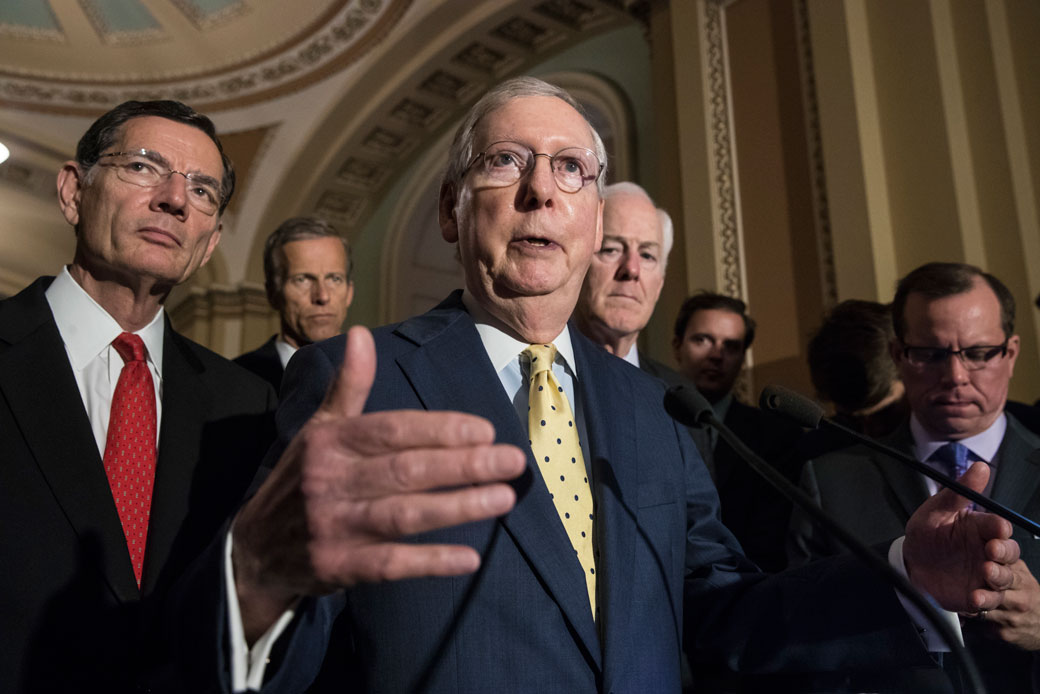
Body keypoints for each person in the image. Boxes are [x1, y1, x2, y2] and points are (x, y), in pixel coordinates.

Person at [179, 78, 1017, 694]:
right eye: (507, 162)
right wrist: (258, 579)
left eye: (572, 168)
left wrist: (907, 576)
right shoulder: (357, 379)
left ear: (592, 222)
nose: (543, 188)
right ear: (451, 210)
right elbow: (281, 649)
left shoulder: (651, 406)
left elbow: (720, 614)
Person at [0, 100, 277, 693]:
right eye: (145, 166)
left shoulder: (246, 407)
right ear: (74, 192)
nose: (175, 199)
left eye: (203, 190)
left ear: (209, 244)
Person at [790, 262, 1040, 692]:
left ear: (1011, 353)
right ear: (898, 355)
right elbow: (798, 643)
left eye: (978, 354)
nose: (956, 377)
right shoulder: (829, 482)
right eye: (931, 354)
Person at [573, 181, 712, 461]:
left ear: (659, 284)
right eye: (611, 249)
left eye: (647, 255)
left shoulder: (683, 400)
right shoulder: (535, 374)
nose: (631, 270)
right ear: (578, 262)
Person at [671, 292, 804, 571]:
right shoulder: (646, 422)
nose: (717, 355)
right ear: (677, 346)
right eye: (702, 340)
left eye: (731, 346)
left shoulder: (775, 436)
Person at [235, 217, 354, 392]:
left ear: (349, 292)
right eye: (302, 280)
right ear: (272, 293)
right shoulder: (237, 379)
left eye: (334, 279)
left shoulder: (386, 374)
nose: (322, 296)